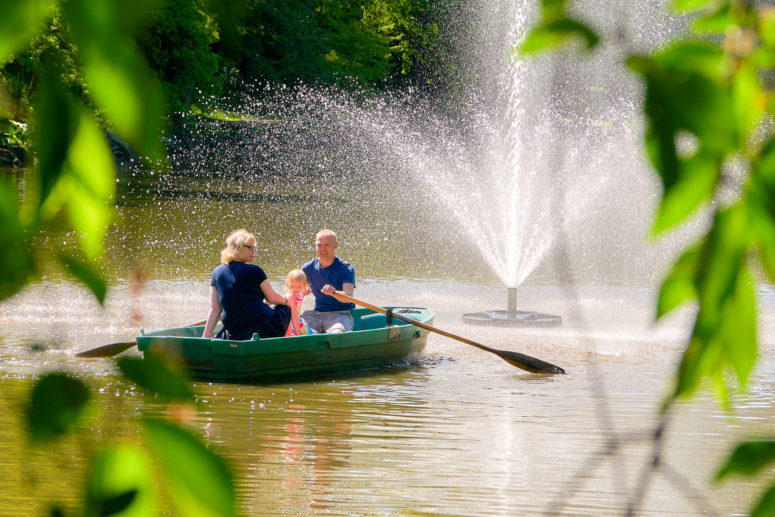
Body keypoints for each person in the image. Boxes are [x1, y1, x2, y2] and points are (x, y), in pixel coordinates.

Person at [203, 229, 292, 340]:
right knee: (285, 308)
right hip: (264, 328)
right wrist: (286, 300)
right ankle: (288, 339)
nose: (253, 252)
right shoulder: (255, 270)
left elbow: (215, 308)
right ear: (236, 247)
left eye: (254, 248)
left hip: (234, 331)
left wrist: (205, 337)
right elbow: (272, 298)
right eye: (250, 248)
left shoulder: (216, 273)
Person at [301, 229, 355, 334]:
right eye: (319, 245)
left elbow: (349, 297)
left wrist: (334, 292)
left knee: (336, 334)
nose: (322, 249)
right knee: (296, 330)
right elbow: (293, 288)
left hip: (340, 314)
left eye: (327, 245)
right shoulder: (307, 268)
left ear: (335, 245)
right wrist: (301, 292)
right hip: (316, 314)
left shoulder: (346, 268)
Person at [284, 268, 310, 336]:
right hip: (289, 324)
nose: (295, 289)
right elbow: (293, 316)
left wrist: (305, 293)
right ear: (288, 285)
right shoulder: (289, 297)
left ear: (304, 286)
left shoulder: (300, 295)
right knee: (299, 334)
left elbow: (301, 296)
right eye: (292, 286)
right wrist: (298, 333)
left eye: (298, 287)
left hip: (297, 322)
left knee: (309, 332)